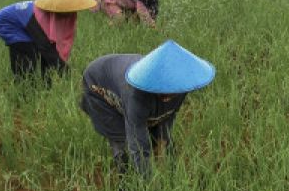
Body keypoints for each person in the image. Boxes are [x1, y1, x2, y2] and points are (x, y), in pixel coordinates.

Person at [79, 40, 215, 178]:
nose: (169, 95)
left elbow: (167, 116)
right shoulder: (136, 95)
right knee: (124, 143)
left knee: (159, 139)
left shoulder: (182, 85)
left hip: (121, 81)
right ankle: (126, 182)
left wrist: (162, 143)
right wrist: (149, 185)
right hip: (98, 86)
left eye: (172, 90)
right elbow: (138, 145)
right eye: (163, 90)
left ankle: (160, 172)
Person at [0, 0, 96, 81]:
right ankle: (24, 87)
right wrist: (68, 74)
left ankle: (46, 84)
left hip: (23, 23)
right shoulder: (38, 17)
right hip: (8, 24)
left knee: (42, 53)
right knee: (28, 56)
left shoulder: (52, 15)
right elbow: (46, 48)